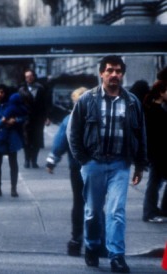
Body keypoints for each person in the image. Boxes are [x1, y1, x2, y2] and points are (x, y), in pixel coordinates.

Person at [68, 55, 147, 273]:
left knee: (116, 212)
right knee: (93, 212)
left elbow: (141, 134)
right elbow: (73, 132)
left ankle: (116, 256)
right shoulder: (87, 100)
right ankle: (93, 247)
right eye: (110, 70)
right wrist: (83, 160)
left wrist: (140, 164)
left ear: (123, 74)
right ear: (101, 73)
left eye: (118, 71)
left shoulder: (132, 102)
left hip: (120, 164)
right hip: (93, 163)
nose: (114, 75)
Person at [46, 87, 87, 255]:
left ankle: (76, 239)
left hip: (77, 167)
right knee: (96, 204)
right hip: (97, 166)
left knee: (79, 203)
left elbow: (60, 142)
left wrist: (52, 161)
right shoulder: (99, 118)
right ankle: (99, 240)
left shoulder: (69, 120)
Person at [0, 84, 27, 197]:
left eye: (2, 92)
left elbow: (23, 116)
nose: (0, 94)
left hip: (12, 137)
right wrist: (3, 121)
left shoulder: (11, 104)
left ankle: (13, 188)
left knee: (13, 164)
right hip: (0, 137)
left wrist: (15, 121)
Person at [142, 79, 167, 223]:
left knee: (155, 181)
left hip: (158, 153)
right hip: (158, 154)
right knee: (154, 182)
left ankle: (158, 210)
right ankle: (150, 212)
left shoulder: (156, 109)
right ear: (161, 93)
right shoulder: (154, 112)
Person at [18, 68, 52, 168]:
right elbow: (17, 104)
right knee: (26, 140)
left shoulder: (41, 88)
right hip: (25, 119)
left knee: (37, 140)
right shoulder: (21, 89)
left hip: (38, 118)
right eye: (27, 77)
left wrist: (47, 117)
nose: (29, 78)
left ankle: (34, 160)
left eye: (30, 76)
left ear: (34, 76)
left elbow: (46, 104)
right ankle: (27, 160)